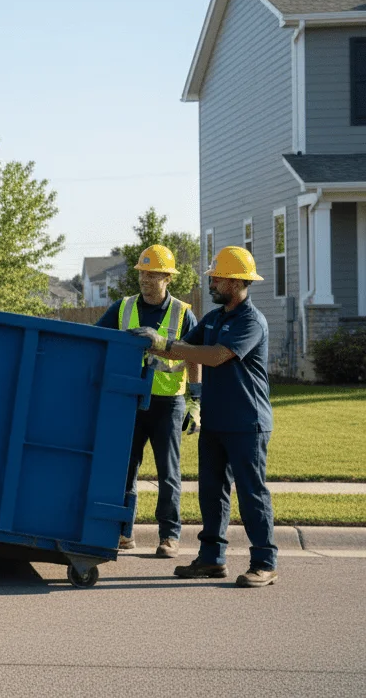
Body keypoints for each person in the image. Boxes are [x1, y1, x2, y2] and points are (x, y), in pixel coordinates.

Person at [129, 246, 277, 588]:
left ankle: (265, 562)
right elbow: (181, 347)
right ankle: (211, 559)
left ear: (237, 282)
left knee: (252, 494)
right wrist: (150, 345)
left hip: (247, 423)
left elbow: (214, 356)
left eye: (218, 278)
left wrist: (164, 344)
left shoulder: (250, 321)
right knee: (212, 493)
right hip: (215, 421)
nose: (212, 282)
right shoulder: (214, 318)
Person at [95, 244, 199, 558]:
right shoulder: (122, 307)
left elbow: (195, 357)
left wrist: (196, 401)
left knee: (168, 472)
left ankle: (170, 537)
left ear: (167, 277)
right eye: (142, 273)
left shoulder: (183, 312)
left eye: (152, 274)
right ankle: (124, 532)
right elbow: (98, 340)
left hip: (168, 402)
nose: (145, 279)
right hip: (129, 399)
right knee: (125, 467)